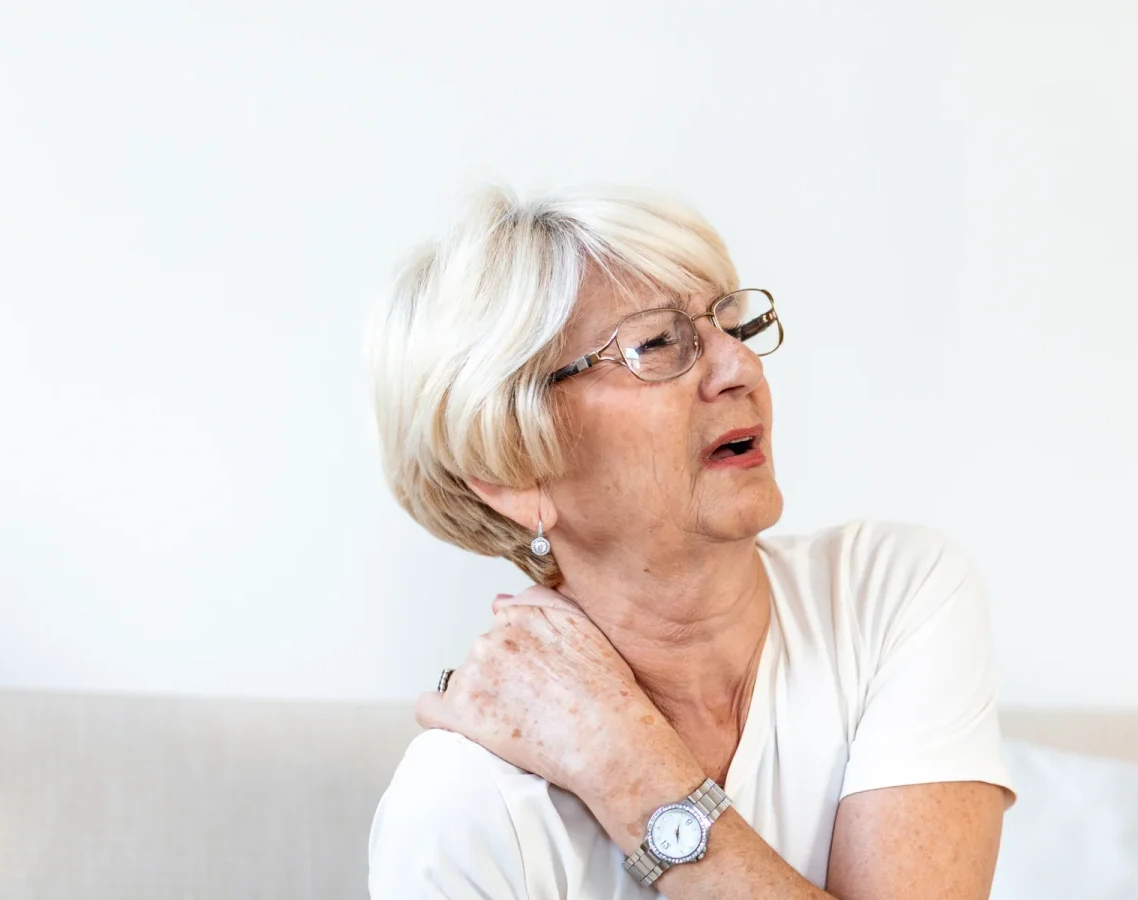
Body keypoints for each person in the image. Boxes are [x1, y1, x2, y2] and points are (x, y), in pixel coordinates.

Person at [363, 185, 1014, 899]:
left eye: (732, 326)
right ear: (514, 466)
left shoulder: (888, 595)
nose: (742, 369)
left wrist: (626, 764)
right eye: (657, 344)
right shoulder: (461, 809)